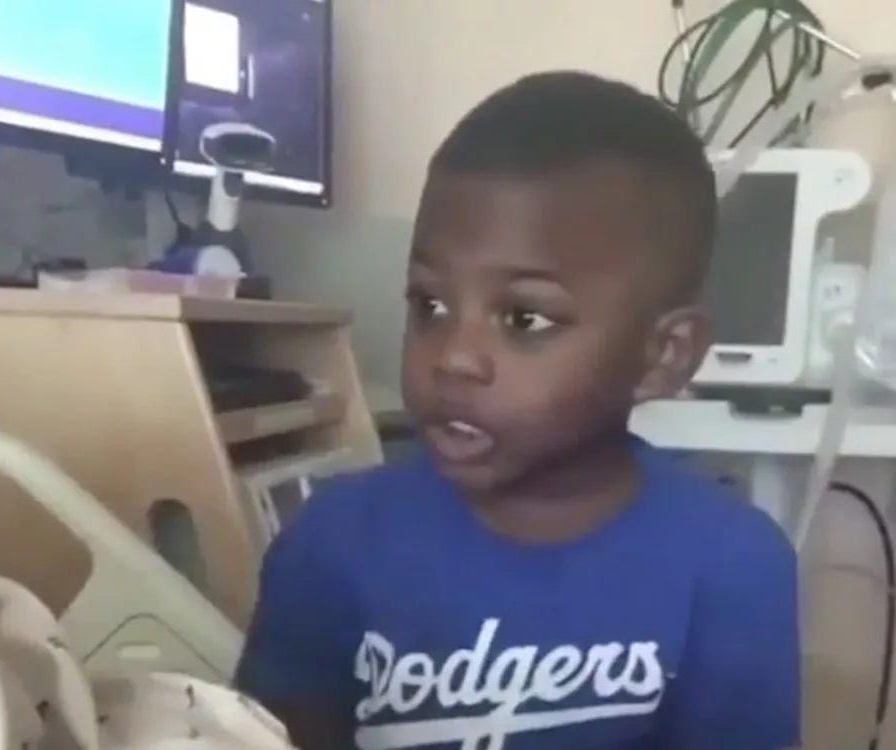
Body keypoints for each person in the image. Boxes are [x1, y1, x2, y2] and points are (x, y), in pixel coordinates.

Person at [235, 71, 800, 750]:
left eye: (525, 317)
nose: (454, 358)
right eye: (430, 305)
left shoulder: (733, 567)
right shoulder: (329, 545)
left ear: (664, 356)